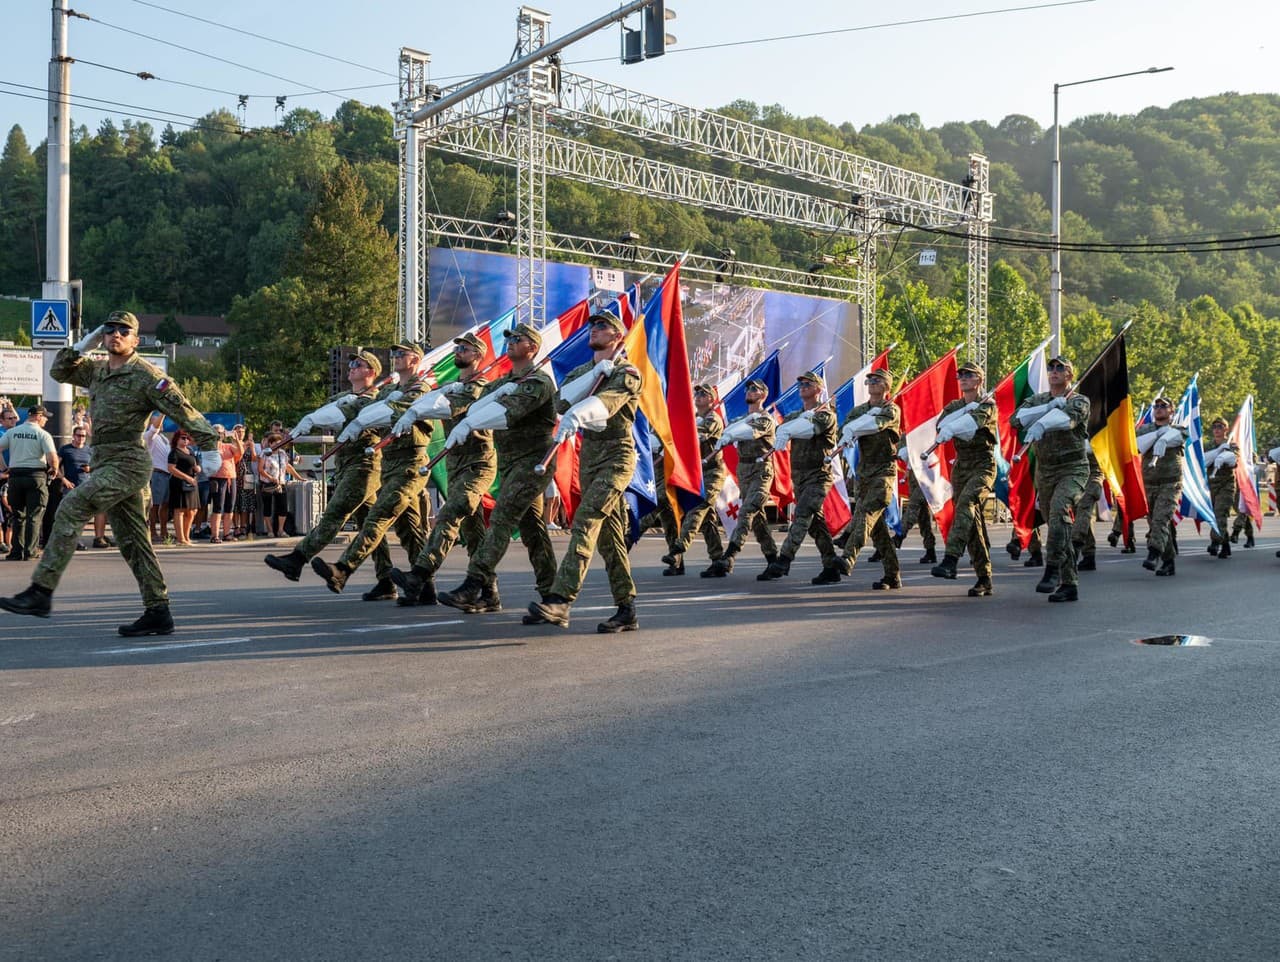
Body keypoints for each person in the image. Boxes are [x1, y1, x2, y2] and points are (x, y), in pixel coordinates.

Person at [0, 311, 220, 635]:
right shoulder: (96, 370)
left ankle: (41, 592)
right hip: (103, 459)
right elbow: (59, 370)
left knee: (72, 506)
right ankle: (158, 610)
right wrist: (82, 345)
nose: (116, 334)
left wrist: (210, 443)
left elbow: (181, 407)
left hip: (129, 461)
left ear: (135, 339)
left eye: (124, 330)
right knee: (133, 543)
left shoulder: (148, 375)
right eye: (110, 329)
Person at [525, 313, 641, 632]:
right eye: (592, 326)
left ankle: (561, 600)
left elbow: (607, 405)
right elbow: (561, 403)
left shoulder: (627, 372)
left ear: (618, 336)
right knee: (610, 538)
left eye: (602, 326)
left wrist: (584, 405)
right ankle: (626, 608)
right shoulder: (582, 371)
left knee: (586, 521)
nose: (594, 330)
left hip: (616, 458)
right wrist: (589, 381)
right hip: (588, 459)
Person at [436, 323, 559, 613]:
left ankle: (474, 582)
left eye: (518, 339)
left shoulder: (538, 382)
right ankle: (551, 595)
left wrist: (472, 420)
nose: (511, 343)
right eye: (510, 339)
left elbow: (506, 413)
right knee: (533, 530)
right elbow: (472, 404)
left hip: (534, 463)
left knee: (502, 517)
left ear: (532, 347)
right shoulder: (500, 383)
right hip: (511, 463)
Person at [263, 350, 397, 600]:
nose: (351, 367)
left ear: (372, 372)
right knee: (371, 525)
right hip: (346, 465)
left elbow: (352, 414)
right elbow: (329, 412)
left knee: (336, 512)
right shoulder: (343, 396)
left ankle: (297, 558)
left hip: (365, 466)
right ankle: (386, 580)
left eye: (358, 364)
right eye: (352, 363)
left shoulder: (378, 401)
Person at [311, 341, 432, 596]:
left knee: (378, 517)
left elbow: (396, 411)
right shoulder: (390, 392)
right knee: (408, 530)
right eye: (394, 354)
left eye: (402, 354)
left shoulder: (420, 389)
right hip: (391, 465)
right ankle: (424, 588)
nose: (396, 357)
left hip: (410, 464)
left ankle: (343, 568)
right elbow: (367, 408)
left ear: (416, 360)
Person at [388, 332, 497, 608]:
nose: (458, 351)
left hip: (478, 463)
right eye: (457, 347)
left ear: (478, 355)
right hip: (456, 465)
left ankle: (420, 573)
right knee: (473, 533)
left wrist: (417, 410)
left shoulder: (479, 386)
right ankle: (489, 593)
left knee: (449, 514)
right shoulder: (450, 385)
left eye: (465, 348)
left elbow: (450, 408)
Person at [1011, 354, 1091, 603]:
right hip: (1045, 471)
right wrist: (1044, 409)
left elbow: (1068, 421)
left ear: (1069, 375)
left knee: (1058, 513)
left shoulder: (1078, 400)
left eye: (1060, 368)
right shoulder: (1038, 399)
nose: (1054, 371)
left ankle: (1053, 568)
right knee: (1058, 524)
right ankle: (1070, 584)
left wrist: (1045, 422)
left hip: (1073, 468)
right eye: (1051, 367)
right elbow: (1016, 419)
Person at [759, 370, 842, 583]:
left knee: (803, 515)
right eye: (801, 384)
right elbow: (783, 428)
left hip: (818, 476)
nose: (803, 387)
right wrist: (788, 427)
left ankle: (784, 559)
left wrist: (792, 427)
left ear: (819, 389)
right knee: (816, 524)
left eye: (808, 384)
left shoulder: (826, 415)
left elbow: (808, 430)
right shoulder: (794, 415)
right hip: (799, 477)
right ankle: (831, 566)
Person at [929, 360, 999, 596]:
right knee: (972, 523)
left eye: (968, 375)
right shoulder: (954, 406)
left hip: (983, 464)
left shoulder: (988, 405)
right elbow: (942, 425)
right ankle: (984, 578)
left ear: (979, 380)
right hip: (961, 467)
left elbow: (970, 425)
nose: (963, 379)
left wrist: (962, 417)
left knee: (967, 504)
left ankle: (951, 558)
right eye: (960, 376)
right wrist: (962, 413)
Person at [705, 378, 779, 577]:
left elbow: (749, 433)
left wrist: (731, 433)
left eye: (754, 389)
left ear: (763, 395)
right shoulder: (739, 419)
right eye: (748, 388)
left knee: (746, 511)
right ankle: (773, 560)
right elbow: (726, 432)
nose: (749, 391)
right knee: (758, 520)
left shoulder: (765, 419)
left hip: (761, 470)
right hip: (744, 471)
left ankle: (729, 555)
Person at [662, 384, 729, 577]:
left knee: (697, 508)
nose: (698, 396)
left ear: (712, 400)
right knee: (707, 519)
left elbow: (692, 436)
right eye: (696, 393)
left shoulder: (712, 419)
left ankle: (678, 549)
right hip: (696, 473)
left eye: (703, 394)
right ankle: (718, 561)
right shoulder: (694, 418)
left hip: (712, 473)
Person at [1135, 395, 1186, 577]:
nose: (1159, 408)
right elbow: (1137, 446)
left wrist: (1164, 437)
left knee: (1161, 520)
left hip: (1170, 484)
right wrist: (1158, 435)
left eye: (1164, 406)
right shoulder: (1144, 430)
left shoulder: (1179, 428)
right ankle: (1169, 561)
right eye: (1156, 406)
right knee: (1155, 523)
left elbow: (1178, 438)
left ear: (1171, 411)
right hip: (1149, 483)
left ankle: (1153, 553)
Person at [0, 405, 59, 561]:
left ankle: (15, 551)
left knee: (17, 515)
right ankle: (30, 551)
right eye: (45, 417)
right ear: (38, 416)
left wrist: (4, 468)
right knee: (34, 515)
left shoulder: (13, 432)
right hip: (35, 476)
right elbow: (52, 458)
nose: (46, 420)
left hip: (15, 477)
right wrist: (54, 469)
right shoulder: (42, 434)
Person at [53, 421, 107, 550]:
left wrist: (90, 469)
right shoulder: (65, 449)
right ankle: (74, 540)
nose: (81, 438)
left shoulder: (89, 450)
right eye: (78, 435)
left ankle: (98, 538)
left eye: (83, 436)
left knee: (95, 512)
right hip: (71, 486)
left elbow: (98, 466)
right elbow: (55, 467)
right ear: (73, 436)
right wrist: (63, 480)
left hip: (88, 485)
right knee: (74, 515)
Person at [1203, 417, 1239, 560]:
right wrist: (1218, 452)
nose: (1217, 429)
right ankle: (1225, 545)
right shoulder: (1207, 445)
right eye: (1214, 427)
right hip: (1211, 486)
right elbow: (1204, 462)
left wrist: (1226, 454)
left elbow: (1233, 461)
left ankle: (1215, 542)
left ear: (1226, 429)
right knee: (1216, 516)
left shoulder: (1232, 445)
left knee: (1220, 513)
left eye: (1220, 426)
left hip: (1226, 485)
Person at [257, 433, 304, 536]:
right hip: (267, 483)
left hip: (280, 483)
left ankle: (281, 530)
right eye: (276, 443)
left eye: (280, 443)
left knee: (283, 507)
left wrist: (299, 477)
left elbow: (288, 467)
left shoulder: (282, 453)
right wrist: (271, 478)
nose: (278, 445)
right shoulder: (265, 453)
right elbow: (260, 469)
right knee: (267, 507)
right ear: (270, 443)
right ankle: (269, 530)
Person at [896, 447, 938, 564]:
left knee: (913, 508)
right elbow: (907, 460)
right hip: (915, 480)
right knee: (923, 518)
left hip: (927, 478)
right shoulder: (909, 436)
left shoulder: (924, 434)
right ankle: (930, 551)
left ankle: (900, 535)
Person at [207, 425, 244, 544]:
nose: (219, 435)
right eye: (217, 432)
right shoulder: (210, 447)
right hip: (217, 479)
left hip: (231, 478)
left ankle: (227, 533)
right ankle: (215, 535)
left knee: (230, 507)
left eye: (221, 433)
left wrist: (236, 439)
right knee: (218, 508)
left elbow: (240, 452)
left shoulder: (228, 446)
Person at [1071, 450, 1105, 571]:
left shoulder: (1098, 432)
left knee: (1083, 510)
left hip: (1094, 475)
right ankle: (1089, 555)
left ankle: (1075, 546)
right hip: (1078, 475)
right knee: (1083, 516)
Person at [167, 430, 202, 546]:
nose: (185, 440)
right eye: (183, 438)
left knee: (193, 510)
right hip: (179, 483)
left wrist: (198, 468)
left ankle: (187, 537)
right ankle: (181, 539)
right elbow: (171, 468)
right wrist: (186, 477)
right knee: (180, 510)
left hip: (192, 483)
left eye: (187, 438)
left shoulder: (190, 451)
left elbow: (196, 464)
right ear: (177, 439)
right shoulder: (174, 452)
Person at [144, 414, 172, 543]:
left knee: (165, 505)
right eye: (157, 421)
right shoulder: (149, 436)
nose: (160, 423)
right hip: (157, 474)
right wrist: (163, 412)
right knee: (154, 505)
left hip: (167, 474)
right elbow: (154, 429)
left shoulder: (164, 438)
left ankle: (164, 531)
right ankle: (153, 531)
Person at [231, 424, 257, 539]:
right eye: (238, 431)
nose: (241, 433)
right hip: (236, 475)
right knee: (236, 503)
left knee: (246, 503)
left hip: (247, 475)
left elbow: (255, 459)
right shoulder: (231, 445)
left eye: (242, 431)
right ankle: (236, 527)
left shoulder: (248, 444)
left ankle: (244, 526)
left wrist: (251, 448)